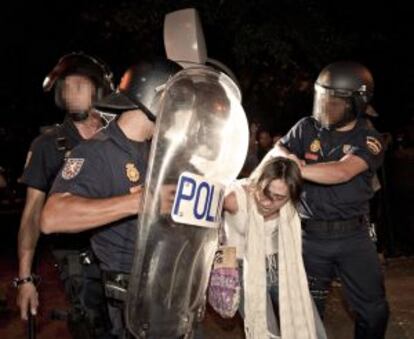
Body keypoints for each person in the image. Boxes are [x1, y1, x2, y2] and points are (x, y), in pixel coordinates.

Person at [40, 58, 182, 338]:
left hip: (168, 291)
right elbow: (52, 217)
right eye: (178, 102)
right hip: (132, 305)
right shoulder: (97, 151)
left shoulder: (154, 151)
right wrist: (139, 203)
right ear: (156, 99)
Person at [268, 61, 389, 339]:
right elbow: (277, 148)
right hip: (310, 238)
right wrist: (286, 156)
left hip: (353, 238)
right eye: (323, 98)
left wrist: (297, 168)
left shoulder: (369, 138)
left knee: (374, 311)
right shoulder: (306, 128)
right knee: (304, 312)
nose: (326, 106)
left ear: (357, 104)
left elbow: (343, 171)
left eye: (335, 101)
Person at [15, 52, 114, 337]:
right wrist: (24, 278)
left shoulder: (118, 138)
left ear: (99, 90)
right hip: (80, 264)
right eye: (66, 88)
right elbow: (33, 213)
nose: (72, 94)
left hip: (122, 257)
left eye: (79, 86)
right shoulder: (48, 144)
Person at [223, 157, 325, 339]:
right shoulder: (233, 198)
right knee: (264, 330)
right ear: (258, 182)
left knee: (309, 324)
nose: (267, 203)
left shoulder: (292, 205)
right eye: (264, 193)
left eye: (279, 198)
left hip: (281, 265)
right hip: (243, 269)